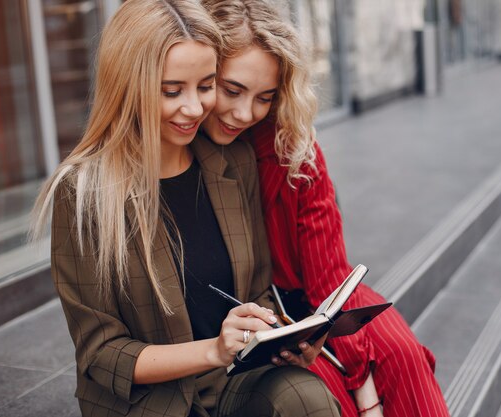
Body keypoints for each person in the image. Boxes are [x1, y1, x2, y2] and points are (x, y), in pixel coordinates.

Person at [30, 1, 341, 416]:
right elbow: (101, 354)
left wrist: (280, 336)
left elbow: (257, 292)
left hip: (234, 379)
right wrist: (213, 350)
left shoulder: (234, 163)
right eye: (172, 91)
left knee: (307, 398)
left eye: (206, 85)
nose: (194, 108)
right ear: (129, 85)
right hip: (150, 400)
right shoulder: (84, 192)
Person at [199, 1, 451, 416]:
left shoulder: (294, 149)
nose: (245, 113)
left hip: (325, 303)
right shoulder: (185, 156)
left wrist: (362, 380)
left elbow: (328, 275)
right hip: (262, 321)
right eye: (232, 90)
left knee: (404, 358)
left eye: (265, 97)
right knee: (329, 399)